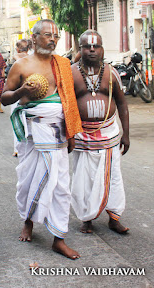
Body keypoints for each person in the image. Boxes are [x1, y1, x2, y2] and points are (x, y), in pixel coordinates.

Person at [1, 19, 82, 260]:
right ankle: (28, 221)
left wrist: (72, 134)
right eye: (47, 35)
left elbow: (70, 100)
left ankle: (59, 238)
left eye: (56, 36)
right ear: (34, 38)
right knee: (28, 181)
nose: (53, 39)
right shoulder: (21, 65)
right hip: (33, 133)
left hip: (57, 132)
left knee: (60, 186)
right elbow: (4, 98)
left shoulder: (63, 64)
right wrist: (21, 92)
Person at [71, 30, 130, 235]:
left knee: (113, 176)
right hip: (82, 136)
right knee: (83, 179)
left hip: (110, 134)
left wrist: (126, 134)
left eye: (96, 46)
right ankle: (87, 218)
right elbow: (66, 107)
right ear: (81, 49)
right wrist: (69, 134)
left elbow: (122, 104)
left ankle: (114, 217)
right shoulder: (71, 73)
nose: (92, 50)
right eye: (87, 46)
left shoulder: (112, 73)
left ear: (102, 49)